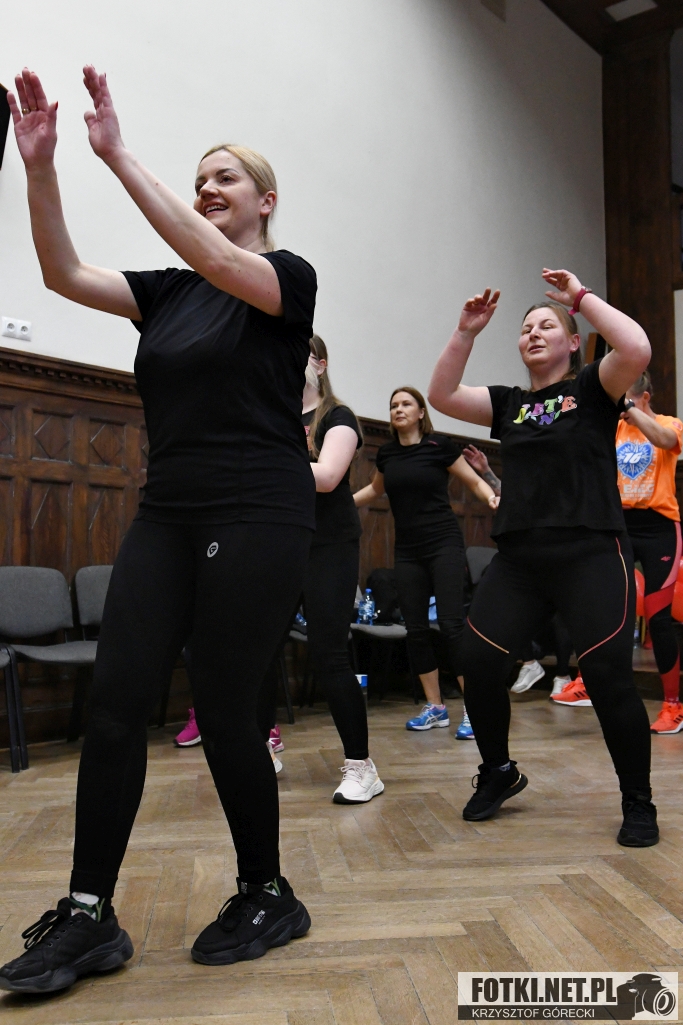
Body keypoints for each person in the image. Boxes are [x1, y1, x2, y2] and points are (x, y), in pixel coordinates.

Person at [0, 67, 316, 994]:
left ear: (265, 200)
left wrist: (117, 154)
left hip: (258, 508)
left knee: (224, 706)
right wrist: (42, 168)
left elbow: (215, 259)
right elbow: (62, 274)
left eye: (227, 177)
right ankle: (88, 914)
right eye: (200, 177)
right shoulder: (168, 292)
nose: (208, 187)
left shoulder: (284, 279)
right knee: (115, 701)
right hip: (169, 510)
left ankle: (267, 890)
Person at [428, 269, 657, 847]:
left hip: (591, 551)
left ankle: (638, 800)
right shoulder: (509, 404)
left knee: (606, 676)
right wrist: (465, 332)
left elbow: (635, 347)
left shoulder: (594, 389)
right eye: (526, 327)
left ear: (574, 341)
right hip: (521, 560)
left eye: (546, 326)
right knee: (477, 660)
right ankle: (498, 771)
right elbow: (442, 396)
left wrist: (580, 298)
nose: (532, 332)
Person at [260, 336, 384, 802]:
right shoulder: (271, 415)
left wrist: (261, 463)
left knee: (329, 652)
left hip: (328, 543)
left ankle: (362, 766)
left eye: (300, 352)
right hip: (279, 541)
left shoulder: (337, 416)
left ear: (321, 364)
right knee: (260, 649)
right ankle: (263, 746)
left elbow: (328, 477)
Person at [354, 387, 498, 738]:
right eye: (393, 405)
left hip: (444, 544)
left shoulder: (439, 446)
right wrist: (340, 505)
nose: (398, 409)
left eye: (406, 404)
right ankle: (435, 707)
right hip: (408, 551)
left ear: (421, 412)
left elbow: (472, 481)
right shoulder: (387, 454)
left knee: (451, 625)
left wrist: (491, 497)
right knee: (416, 628)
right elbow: (375, 490)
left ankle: (476, 708)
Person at [463, 447, 577, 701]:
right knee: (508, 607)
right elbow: (514, 496)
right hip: (526, 551)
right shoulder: (528, 469)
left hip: (563, 550)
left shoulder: (568, 469)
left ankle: (562, 675)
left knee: (559, 615)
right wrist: (486, 471)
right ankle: (529, 662)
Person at [615, 372, 683, 734]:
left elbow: (665, 440)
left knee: (658, 619)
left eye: (627, 399)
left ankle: (673, 705)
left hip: (660, 529)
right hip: (622, 525)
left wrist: (629, 409)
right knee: (609, 611)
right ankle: (587, 682)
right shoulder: (616, 429)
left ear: (645, 397)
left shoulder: (669, 423)